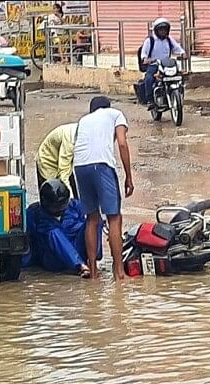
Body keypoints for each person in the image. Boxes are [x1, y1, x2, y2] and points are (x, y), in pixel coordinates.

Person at [73, 96, 133, 280]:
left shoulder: (83, 120)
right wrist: (129, 176)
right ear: (108, 107)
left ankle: (93, 271)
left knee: (92, 218)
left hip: (80, 166)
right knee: (114, 218)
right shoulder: (115, 114)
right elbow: (122, 143)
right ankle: (119, 272)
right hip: (102, 165)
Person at [23, 179, 102, 278]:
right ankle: (81, 266)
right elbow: (24, 236)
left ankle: (92, 261)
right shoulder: (34, 212)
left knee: (94, 220)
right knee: (53, 233)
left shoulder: (75, 206)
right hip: (54, 258)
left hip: (78, 248)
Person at [140, 18, 186, 109]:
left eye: (165, 30)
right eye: (161, 30)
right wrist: (146, 59)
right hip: (154, 65)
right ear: (156, 30)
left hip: (167, 64)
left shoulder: (169, 39)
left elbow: (177, 48)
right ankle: (150, 101)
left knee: (180, 76)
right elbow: (143, 54)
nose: (163, 32)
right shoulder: (150, 40)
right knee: (149, 79)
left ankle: (179, 95)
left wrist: (183, 53)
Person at [36, 123, 79, 197]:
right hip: (47, 162)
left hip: (61, 159)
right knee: (52, 196)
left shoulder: (80, 130)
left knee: (73, 193)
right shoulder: (70, 140)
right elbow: (63, 174)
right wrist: (69, 199)